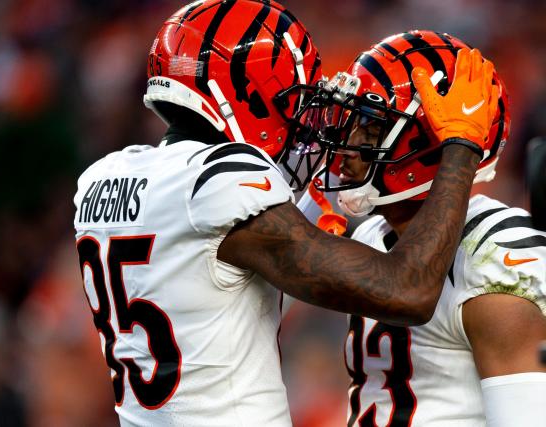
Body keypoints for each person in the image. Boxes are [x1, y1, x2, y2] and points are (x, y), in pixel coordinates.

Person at [72, 1, 498, 424]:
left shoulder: (103, 178)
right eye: (290, 99)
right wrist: (461, 146)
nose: (300, 117)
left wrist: (307, 208)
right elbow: (408, 291)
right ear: (242, 95)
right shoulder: (220, 181)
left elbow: (219, 292)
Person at [301, 30, 546, 426]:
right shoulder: (371, 234)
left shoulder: (496, 253)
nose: (346, 142)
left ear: (429, 142)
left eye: (369, 126)